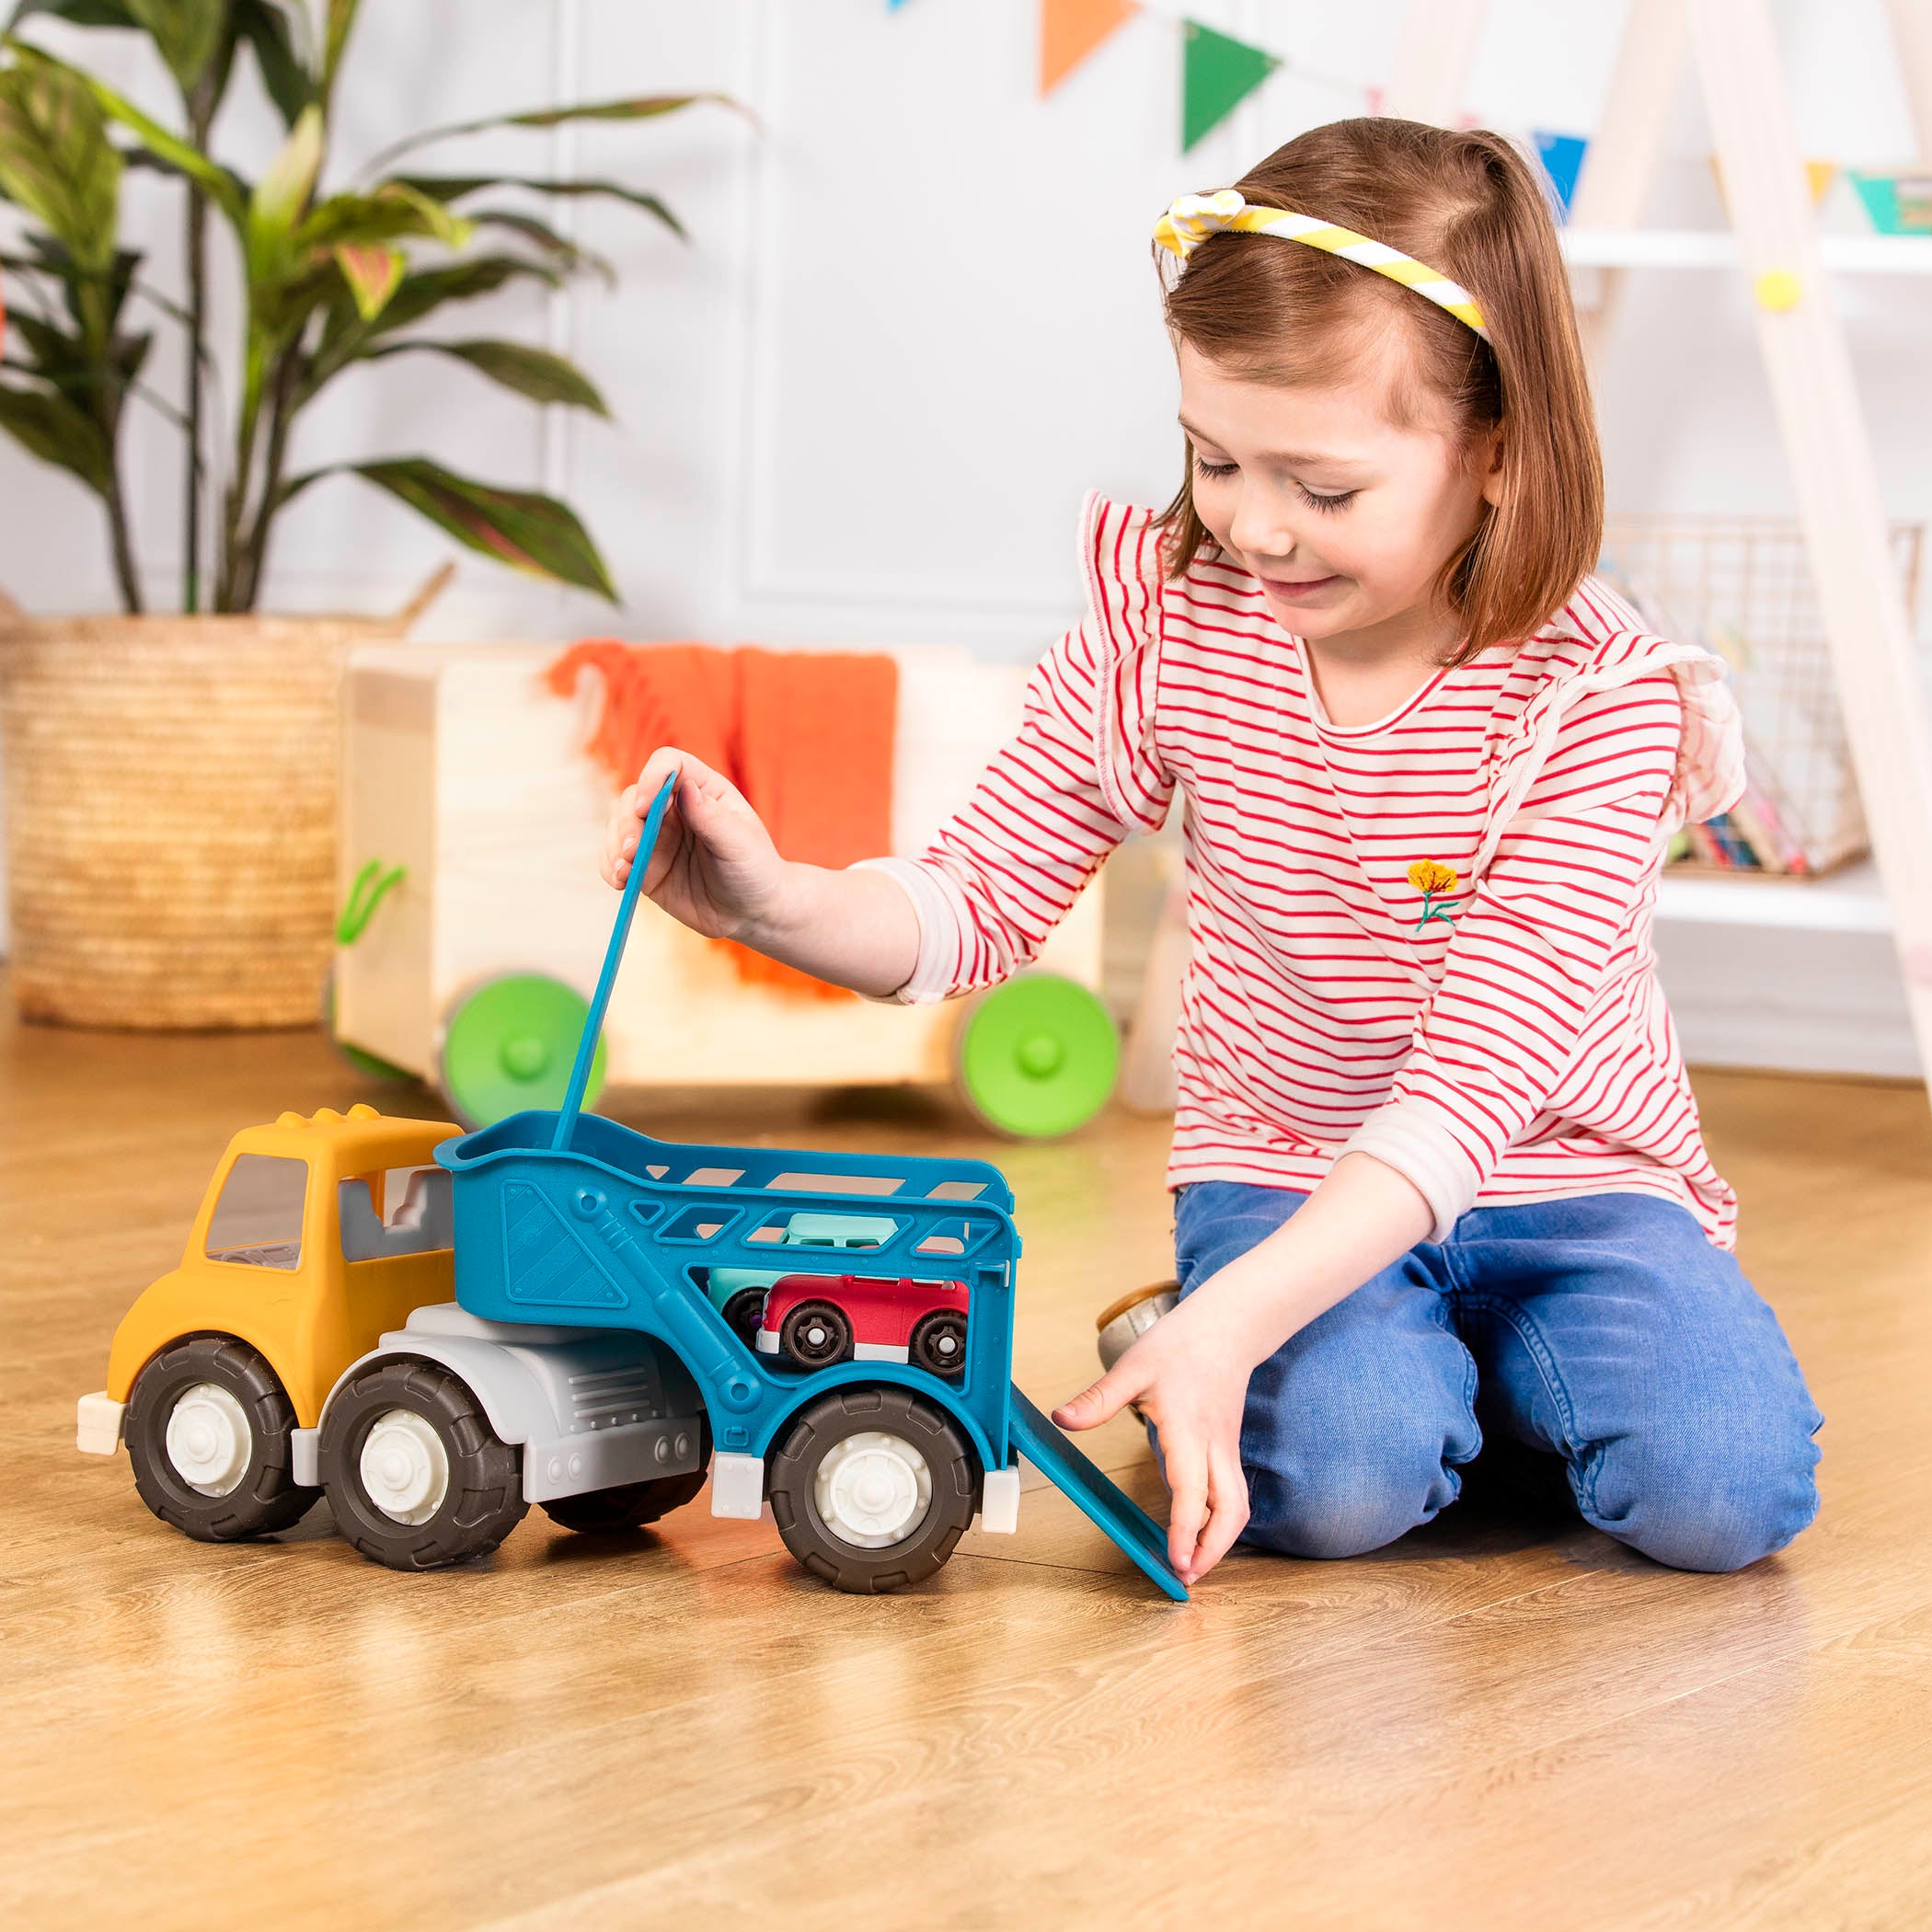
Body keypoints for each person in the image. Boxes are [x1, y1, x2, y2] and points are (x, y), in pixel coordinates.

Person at [599, 118, 1822, 1588]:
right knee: (1343, 1487)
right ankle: (1359, 1373)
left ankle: (1348, 1357)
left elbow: (1475, 1086)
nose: (1253, 527)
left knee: (1722, 1497)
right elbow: (976, 900)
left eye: (1323, 488)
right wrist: (772, 904)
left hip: (1573, 1179)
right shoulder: (1175, 625)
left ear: (1497, 452)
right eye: (1215, 459)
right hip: (1286, 1161)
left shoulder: (1601, 695)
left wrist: (1234, 1322)